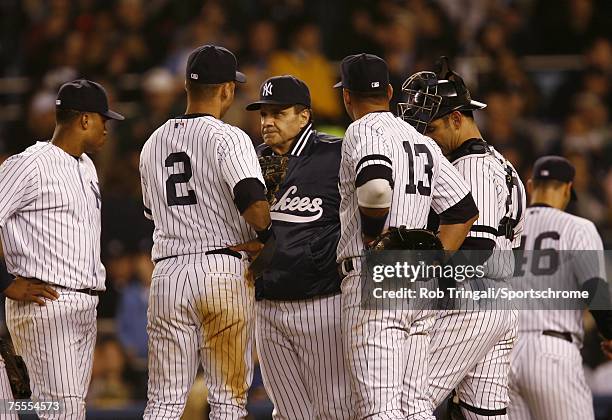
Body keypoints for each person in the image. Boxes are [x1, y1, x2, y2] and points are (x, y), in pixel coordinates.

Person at [335, 53, 479, 419]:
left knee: (379, 409)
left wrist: (371, 238)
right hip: (419, 281)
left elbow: (377, 188)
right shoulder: (422, 140)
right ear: (388, 91)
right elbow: (463, 211)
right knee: (414, 407)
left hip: (378, 275)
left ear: (347, 97)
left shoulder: (363, 129)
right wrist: (436, 261)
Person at [139, 44, 271, 419]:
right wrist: (268, 237)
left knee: (164, 401)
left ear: (186, 86)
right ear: (228, 89)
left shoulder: (152, 143)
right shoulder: (228, 137)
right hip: (221, 272)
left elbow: (151, 212)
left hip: (168, 274)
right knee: (228, 400)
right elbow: (253, 201)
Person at [400, 58, 526, 419]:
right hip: (501, 302)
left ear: (458, 119)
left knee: (408, 400)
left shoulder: (470, 167)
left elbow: (476, 249)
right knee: (482, 413)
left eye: (433, 127)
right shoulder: (505, 164)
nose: (427, 138)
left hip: (473, 302)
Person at [0, 79, 124, 419]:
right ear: (84, 120)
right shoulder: (29, 163)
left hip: (84, 303)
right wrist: (4, 282)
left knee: (64, 409)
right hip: (47, 302)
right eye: (104, 120)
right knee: (63, 412)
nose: (107, 129)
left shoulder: (86, 166)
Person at [245, 75, 354, 418]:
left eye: (277, 113)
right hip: (268, 304)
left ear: (304, 115)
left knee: (334, 408)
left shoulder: (335, 154)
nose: (267, 122)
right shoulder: (252, 160)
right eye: (263, 114)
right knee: (287, 412)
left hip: (321, 302)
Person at [507, 156, 612, 420]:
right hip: (552, 352)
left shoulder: (507, 229)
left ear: (531, 186)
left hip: (503, 355)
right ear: (567, 188)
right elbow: (595, 288)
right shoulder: (578, 227)